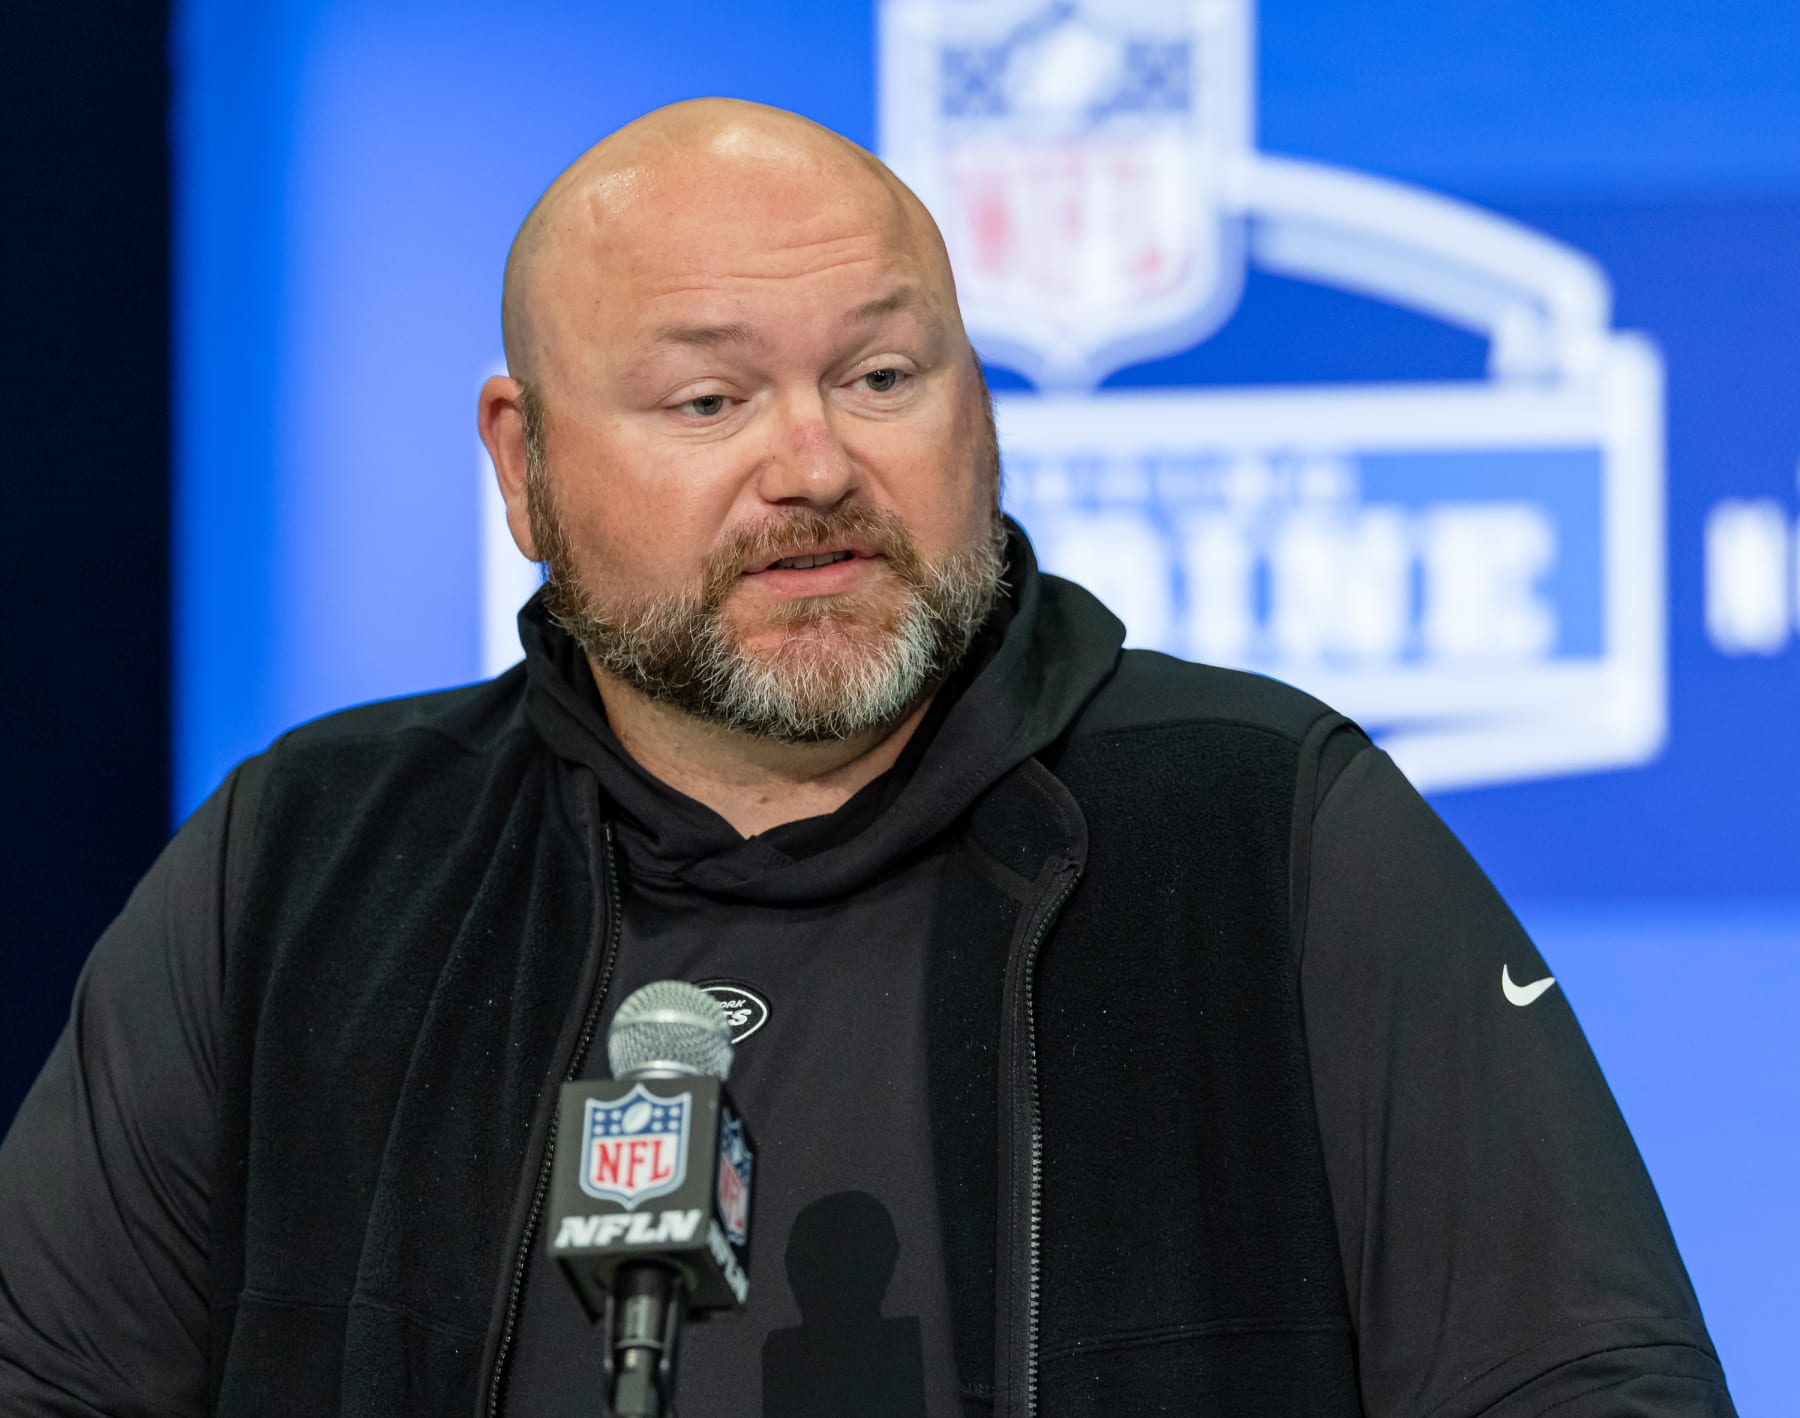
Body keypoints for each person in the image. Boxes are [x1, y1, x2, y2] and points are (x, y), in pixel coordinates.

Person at [0, 99, 1735, 1418]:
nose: (814, 463)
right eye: (709, 401)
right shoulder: (305, 868)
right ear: (522, 468)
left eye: (883, 373)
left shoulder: (1268, 830)